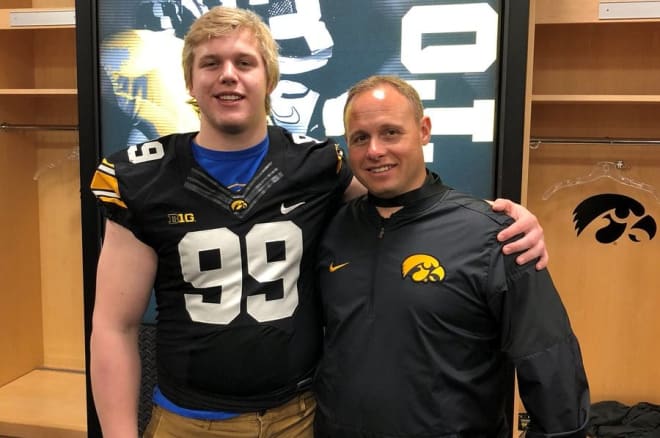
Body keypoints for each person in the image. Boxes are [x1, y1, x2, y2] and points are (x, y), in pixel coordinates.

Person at [89, 7, 548, 438]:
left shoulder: (316, 164)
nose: (228, 75)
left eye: (245, 62)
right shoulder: (143, 177)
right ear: (190, 80)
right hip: (187, 420)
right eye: (211, 63)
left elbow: (406, 203)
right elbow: (115, 326)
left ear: (269, 78)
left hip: (301, 415)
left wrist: (494, 219)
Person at [313, 75, 590, 438]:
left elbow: (549, 361)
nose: (375, 150)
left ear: (424, 130)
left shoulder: (496, 235)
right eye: (360, 138)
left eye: (391, 132)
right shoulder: (330, 230)